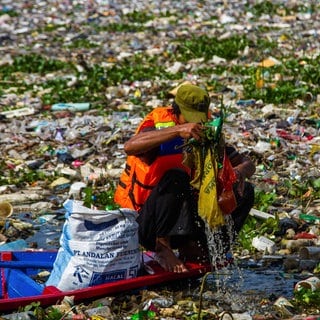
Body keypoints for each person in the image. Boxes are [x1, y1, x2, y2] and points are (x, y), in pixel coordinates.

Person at [114, 83, 256, 273]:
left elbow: (246, 163)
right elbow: (130, 146)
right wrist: (177, 131)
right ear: (176, 110)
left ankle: (202, 248)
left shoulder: (205, 128)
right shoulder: (157, 123)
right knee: (176, 177)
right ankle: (162, 247)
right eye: (189, 119)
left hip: (184, 221)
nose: (194, 124)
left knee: (245, 191)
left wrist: (239, 173)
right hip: (146, 222)